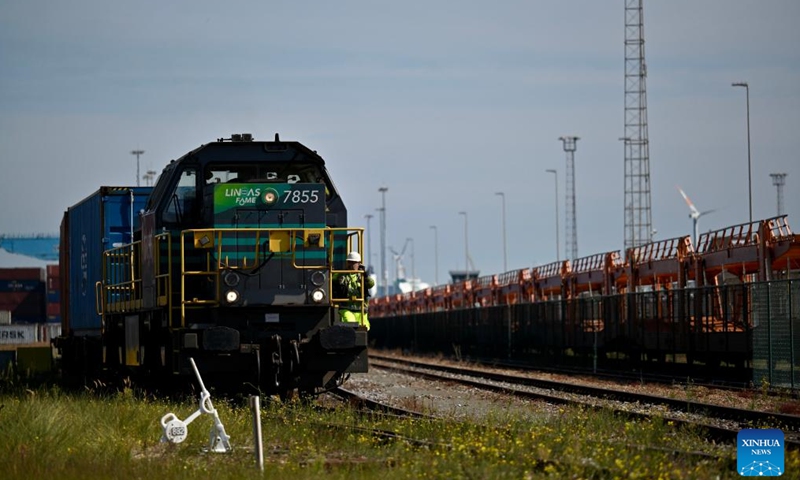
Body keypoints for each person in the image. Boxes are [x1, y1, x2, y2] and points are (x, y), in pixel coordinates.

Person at [333, 251, 375, 330]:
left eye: (353, 263)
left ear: (359, 264)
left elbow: (371, 284)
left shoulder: (362, 276)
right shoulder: (341, 274)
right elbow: (331, 279)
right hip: (346, 308)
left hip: (360, 308)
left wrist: (365, 275)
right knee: (350, 324)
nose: (351, 265)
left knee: (364, 327)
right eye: (349, 262)